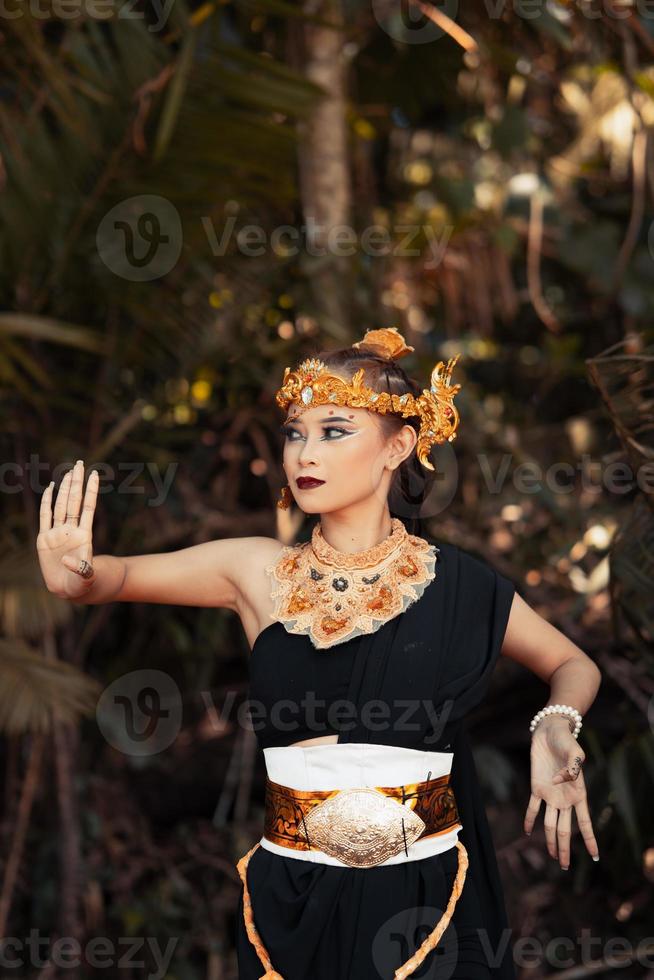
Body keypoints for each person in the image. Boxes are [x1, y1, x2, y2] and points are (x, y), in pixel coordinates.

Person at [37, 327, 602, 980]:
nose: (305, 451)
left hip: (426, 907)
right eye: (294, 432)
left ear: (399, 446)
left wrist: (556, 722)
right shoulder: (253, 570)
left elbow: (572, 663)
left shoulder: (462, 586)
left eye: (334, 430)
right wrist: (69, 576)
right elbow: (108, 578)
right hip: (293, 901)